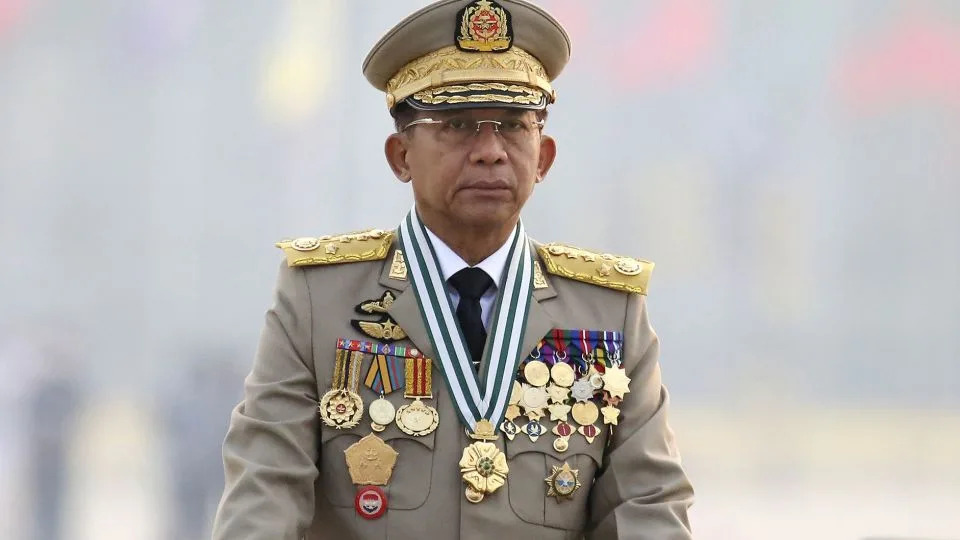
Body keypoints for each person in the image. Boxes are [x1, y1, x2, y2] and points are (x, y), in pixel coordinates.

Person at [212, 1, 693, 538]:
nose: (489, 151)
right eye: (457, 125)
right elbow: (265, 491)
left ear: (544, 157)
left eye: (513, 126)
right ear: (400, 156)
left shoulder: (610, 311)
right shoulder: (318, 299)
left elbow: (649, 507)